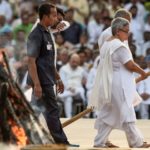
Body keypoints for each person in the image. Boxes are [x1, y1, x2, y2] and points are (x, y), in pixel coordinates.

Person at [89, 17, 150, 148]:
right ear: (117, 31)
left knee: (109, 113)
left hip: (111, 83)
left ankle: (100, 141)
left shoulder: (107, 43)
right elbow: (130, 65)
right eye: (126, 31)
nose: (128, 35)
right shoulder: (118, 46)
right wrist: (143, 73)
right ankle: (136, 142)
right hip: (119, 85)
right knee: (125, 112)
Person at [27, 3, 78, 147]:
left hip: (47, 78)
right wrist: (37, 84)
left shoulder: (47, 32)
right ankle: (61, 142)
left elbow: (49, 61)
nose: (57, 19)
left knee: (35, 112)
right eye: (54, 16)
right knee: (52, 111)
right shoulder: (36, 34)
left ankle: (26, 137)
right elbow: (31, 61)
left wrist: (58, 78)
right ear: (45, 17)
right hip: (42, 81)